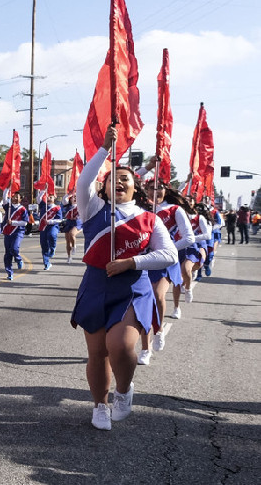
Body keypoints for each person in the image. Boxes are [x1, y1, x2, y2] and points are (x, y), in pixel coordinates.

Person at [70, 126, 176, 430]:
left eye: (125, 179)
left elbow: (168, 254)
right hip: (95, 285)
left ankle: (124, 390)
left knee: (119, 344)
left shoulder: (149, 219)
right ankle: (99, 406)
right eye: (112, 179)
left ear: (134, 188)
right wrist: (104, 149)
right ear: (103, 187)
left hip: (132, 288)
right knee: (97, 352)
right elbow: (83, 180)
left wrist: (132, 262)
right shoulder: (92, 209)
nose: (118, 182)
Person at [137, 177, 194, 365]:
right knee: (143, 303)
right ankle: (145, 348)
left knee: (157, 295)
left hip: (165, 262)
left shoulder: (174, 210)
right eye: (151, 188)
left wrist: (167, 249)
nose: (156, 191)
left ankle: (159, 329)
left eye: (159, 187)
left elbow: (189, 237)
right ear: (145, 190)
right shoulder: (140, 209)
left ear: (165, 189)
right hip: (144, 261)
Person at [1, 189, 28, 280]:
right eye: (13, 196)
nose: (15, 198)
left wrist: (13, 222)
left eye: (17, 197)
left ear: (21, 199)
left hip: (18, 232)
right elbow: (4, 198)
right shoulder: (8, 206)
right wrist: (8, 188)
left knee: (14, 248)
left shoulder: (22, 209)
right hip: (7, 232)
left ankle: (18, 259)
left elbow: (25, 223)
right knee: (8, 253)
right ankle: (9, 272)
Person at [37, 192, 63, 271]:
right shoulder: (43, 206)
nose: (48, 198)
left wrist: (50, 221)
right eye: (47, 197)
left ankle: (53, 247)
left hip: (52, 226)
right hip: (43, 227)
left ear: (54, 198)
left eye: (50, 197)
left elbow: (59, 219)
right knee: (44, 246)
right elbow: (38, 199)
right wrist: (43, 191)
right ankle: (47, 263)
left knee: (51, 235)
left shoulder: (57, 208)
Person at [61, 195, 82, 264]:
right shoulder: (67, 206)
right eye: (73, 197)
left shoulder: (80, 205)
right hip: (69, 222)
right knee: (67, 241)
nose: (75, 198)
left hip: (77, 223)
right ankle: (69, 256)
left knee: (72, 234)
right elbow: (64, 199)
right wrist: (69, 193)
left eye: (76, 197)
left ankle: (74, 246)